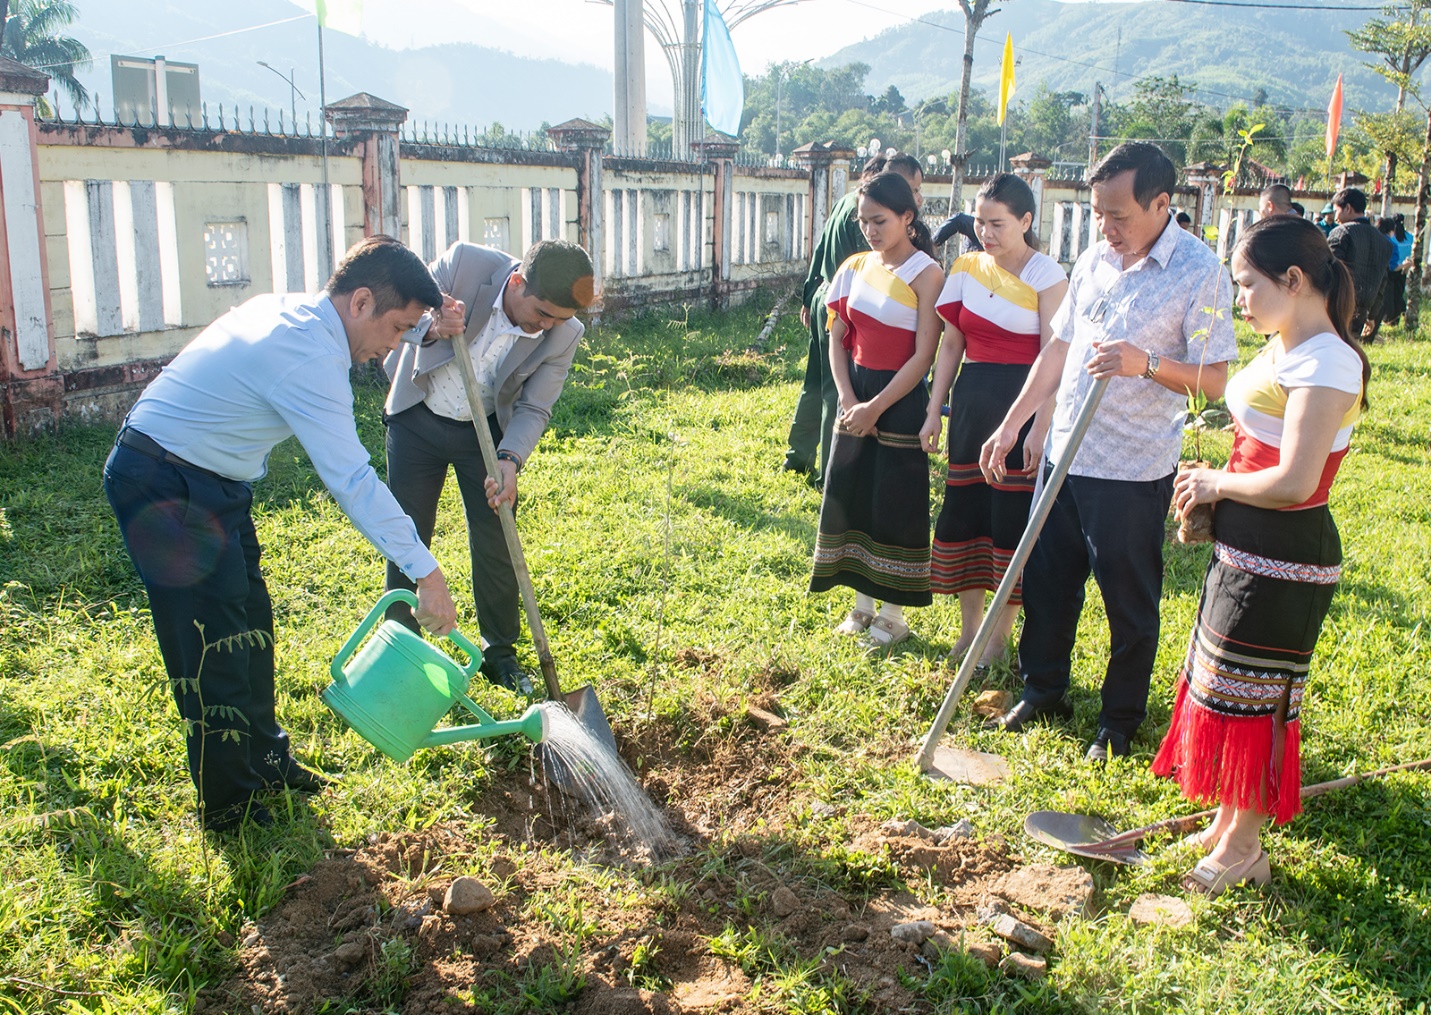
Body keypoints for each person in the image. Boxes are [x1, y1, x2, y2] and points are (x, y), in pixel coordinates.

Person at [103, 236, 459, 832]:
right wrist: (425, 569)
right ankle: (230, 806)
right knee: (212, 641)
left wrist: (428, 327)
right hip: (164, 482)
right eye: (396, 329)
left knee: (251, 624)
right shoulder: (306, 356)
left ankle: (266, 760)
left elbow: (383, 337)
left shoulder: (301, 316)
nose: (391, 347)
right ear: (362, 301)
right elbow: (352, 478)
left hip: (213, 479)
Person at [979, 142, 1237, 762]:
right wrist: (1013, 424)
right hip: (1064, 453)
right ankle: (1044, 689)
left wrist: (1144, 364)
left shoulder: (1199, 271)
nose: (1106, 227)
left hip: (1131, 466)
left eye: (1119, 215)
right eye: (1098, 213)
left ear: (1162, 204)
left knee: (1127, 598)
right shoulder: (1095, 259)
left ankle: (1119, 719)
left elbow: (1218, 379)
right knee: (1047, 582)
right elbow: (1059, 349)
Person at [1154, 215, 1368, 896]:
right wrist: (1209, 493)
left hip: (1286, 556)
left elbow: (1296, 480)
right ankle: (1224, 822)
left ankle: (1245, 846)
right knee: (1221, 688)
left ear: (1294, 280)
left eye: (1247, 285)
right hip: (1244, 547)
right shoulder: (1284, 342)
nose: (1239, 299)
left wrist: (1215, 483)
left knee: (1254, 700)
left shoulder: (1327, 361)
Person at [382, 239, 596, 693]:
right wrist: (434, 323)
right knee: (406, 531)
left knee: (498, 536)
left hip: (484, 436)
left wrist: (509, 460)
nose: (546, 327)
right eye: (542, 313)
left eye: (558, 320)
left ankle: (499, 653)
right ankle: (400, 644)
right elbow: (403, 307)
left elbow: (536, 407)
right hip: (418, 415)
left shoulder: (565, 332)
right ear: (517, 282)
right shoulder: (465, 264)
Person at [920, 173, 1067, 669]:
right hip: (972, 401)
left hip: (1021, 403)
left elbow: (1055, 355)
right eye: (979, 221)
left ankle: (999, 637)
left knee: (1008, 520)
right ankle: (969, 631)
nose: (985, 231)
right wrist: (935, 407)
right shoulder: (965, 267)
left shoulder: (1047, 275)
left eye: (997, 223)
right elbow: (951, 344)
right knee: (968, 510)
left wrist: (1040, 425)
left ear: (1026, 221)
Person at [811, 171, 943, 647]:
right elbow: (837, 339)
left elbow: (923, 357)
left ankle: (893, 616)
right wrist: (849, 400)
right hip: (856, 394)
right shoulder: (852, 267)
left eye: (880, 220)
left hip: (901, 399)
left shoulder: (928, 275)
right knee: (855, 495)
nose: (870, 230)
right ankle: (861, 605)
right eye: (864, 221)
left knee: (895, 503)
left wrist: (875, 407)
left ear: (908, 217)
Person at [785, 154, 926, 487]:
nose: (918, 198)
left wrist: (809, 295)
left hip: (827, 298)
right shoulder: (869, 217)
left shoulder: (848, 203)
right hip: (851, 310)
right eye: (913, 189)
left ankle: (797, 456)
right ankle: (829, 471)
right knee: (837, 388)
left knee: (816, 383)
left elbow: (818, 249)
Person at [1327, 187, 1392, 336]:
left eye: (1336, 210)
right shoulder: (1384, 242)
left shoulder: (1341, 233)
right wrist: (1372, 316)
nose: (1335, 216)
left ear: (1348, 208)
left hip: (1337, 307)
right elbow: (1383, 282)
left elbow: (1329, 271)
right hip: (1362, 312)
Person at [1375, 214, 1413, 330]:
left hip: (1377, 274)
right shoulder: (1403, 240)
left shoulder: (1376, 239)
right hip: (1396, 273)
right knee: (1395, 299)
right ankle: (1392, 322)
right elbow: (1393, 266)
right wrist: (1405, 265)